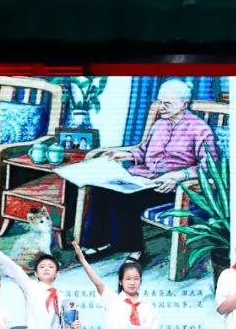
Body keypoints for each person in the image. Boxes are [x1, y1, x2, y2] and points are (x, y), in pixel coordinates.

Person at [80, 78, 218, 263]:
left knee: (126, 197)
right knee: (101, 187)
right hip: (144, 179)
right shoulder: (159, 124)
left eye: (167, 103)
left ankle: (135, 250)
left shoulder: (201, 130)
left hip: (173, 188)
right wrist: (126, 155)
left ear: (184, 104)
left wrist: (179, 175)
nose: (161, 107)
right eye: (160, 102)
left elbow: (209, 167)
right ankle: (98, 242)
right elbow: (143, 151)